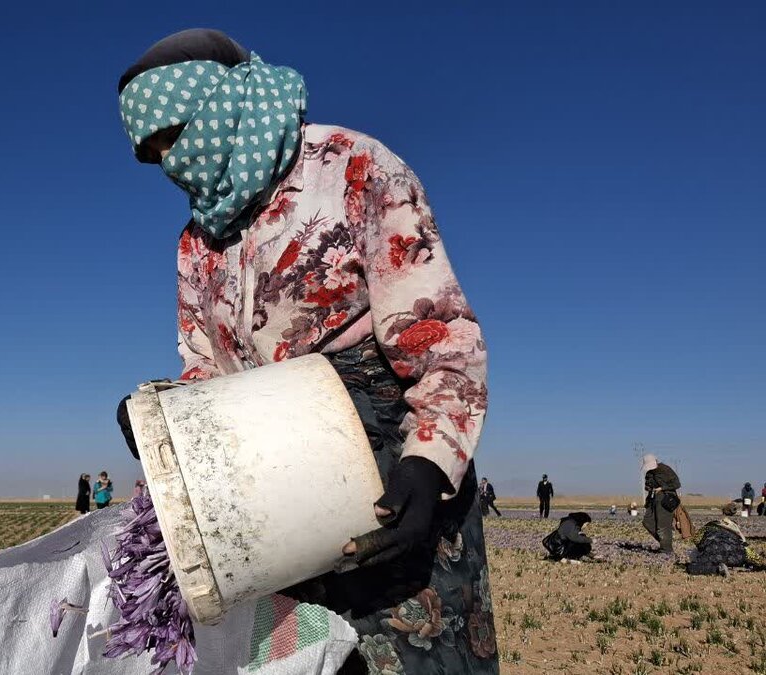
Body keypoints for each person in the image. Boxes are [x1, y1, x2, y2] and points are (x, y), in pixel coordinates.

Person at [114, 29, 495, 673]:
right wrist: (163, 415)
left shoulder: (350, 166)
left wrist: (428, 465)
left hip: (389, 471)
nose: (171, 163)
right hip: (275, 505)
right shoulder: (197, 243)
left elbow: (437, 331)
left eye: (173, 136)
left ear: (218, 105)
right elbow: (207, 370)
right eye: (153, 157)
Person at [685, 503, 759, 576]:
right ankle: (731, 567)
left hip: (713, 553)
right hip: (736, 556)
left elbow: (696, 540)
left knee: (692, 567)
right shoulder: (735, 527)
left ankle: (718, 569)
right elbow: (746, 547)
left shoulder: (710, 525)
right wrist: (757, 561)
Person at [641, 454, 681, 554]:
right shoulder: (649, 473)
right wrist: (649, 488)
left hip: (666, 500)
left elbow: (676, 484)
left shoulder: (666, 470)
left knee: (662, 526)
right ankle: (665, 543)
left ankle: (666, 550)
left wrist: (662, 488)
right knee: (647, 522)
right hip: (653, 499)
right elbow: (647, 485)